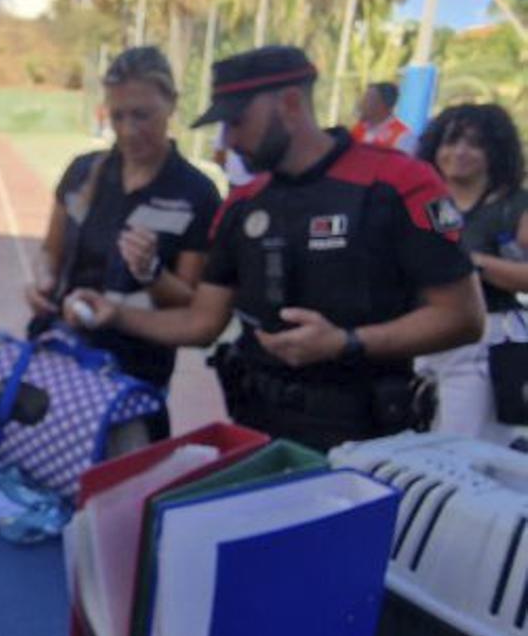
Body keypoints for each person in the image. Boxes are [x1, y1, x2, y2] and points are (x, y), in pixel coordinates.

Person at [64, 46, 485, 452]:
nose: (227, 139)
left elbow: (463, 318)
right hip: (256, 432)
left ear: (288, 103)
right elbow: (201, 322)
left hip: (363, 444)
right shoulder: (242, 204)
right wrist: (115, 314)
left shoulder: (395, 183)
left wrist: (347, 342)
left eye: (237, 121)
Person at [25, 46, 220, 439]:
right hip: (57, 357)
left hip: (133, 375)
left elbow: (188, 305)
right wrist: (44, 282)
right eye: (118, 116)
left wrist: (150, 272)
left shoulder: (196, 193)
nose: (129, 130)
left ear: (172, 105)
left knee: (114, 486)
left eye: (143, 115)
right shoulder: (82, 172)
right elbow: (51, 251)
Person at [416, 102, 528, 445]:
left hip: (488, 341)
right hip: (419, 335)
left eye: (474, 144)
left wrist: (468, 262)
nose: (459, 152)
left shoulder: (514, 205)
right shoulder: (416, 201)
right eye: (450, 142)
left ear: (495, 151)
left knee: (464, 451)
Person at [352, 82, 416, 154]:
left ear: (382, 105)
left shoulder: (403, 135)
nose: (362, 104)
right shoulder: (358, 129)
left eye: (368, 99)